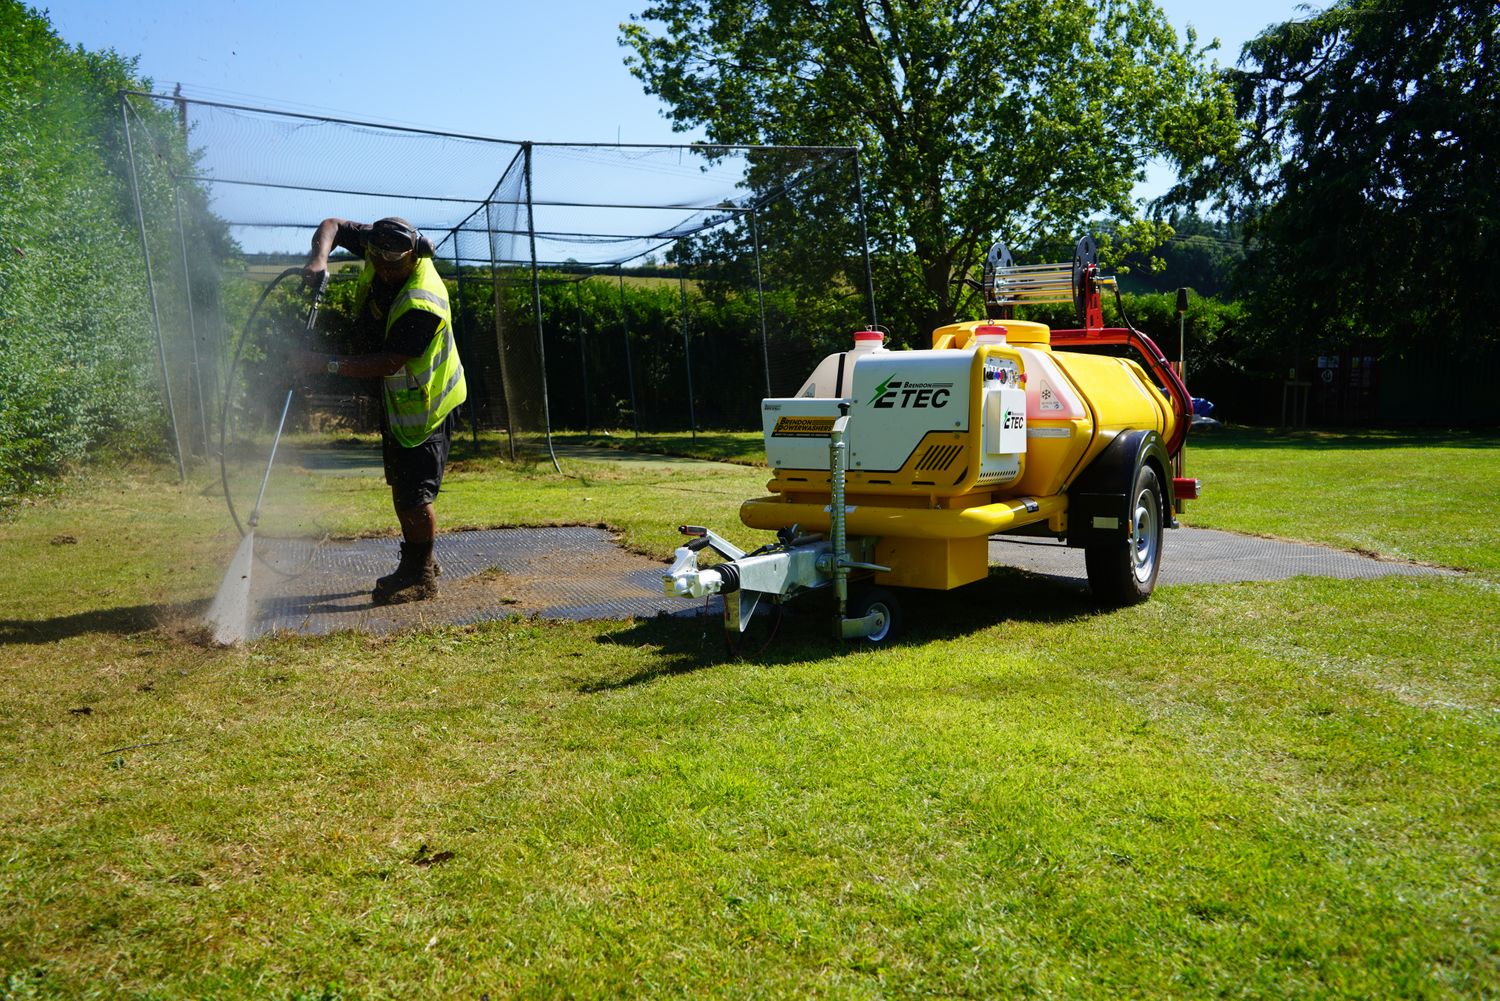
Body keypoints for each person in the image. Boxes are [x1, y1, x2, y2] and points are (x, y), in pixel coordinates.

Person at [296, 216, 466, 605]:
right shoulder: (379, 244)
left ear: (415, 254)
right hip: (399, 398)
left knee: (414, 495)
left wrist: (324, 364)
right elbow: (333, 225)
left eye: (395, 266)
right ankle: (421, 559)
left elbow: (390, 361)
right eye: (379, 263)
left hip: (427, 402)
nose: (385, 273)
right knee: (401, 485)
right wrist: (319, 258)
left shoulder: (423, 300)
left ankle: (421, 576)